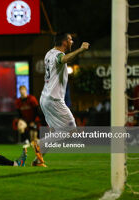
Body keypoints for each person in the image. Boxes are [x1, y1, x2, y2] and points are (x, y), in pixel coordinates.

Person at [39, 33, 89, 165]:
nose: (72, 41)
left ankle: (37, 160)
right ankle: (40, 144)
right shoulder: (57, 55)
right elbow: (64, 59)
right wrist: (81, 49)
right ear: (65, 42)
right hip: (54, 100)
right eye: (71, 39)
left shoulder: (48, 53)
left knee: (55, 133)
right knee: (71, 131)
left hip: (45, 98)